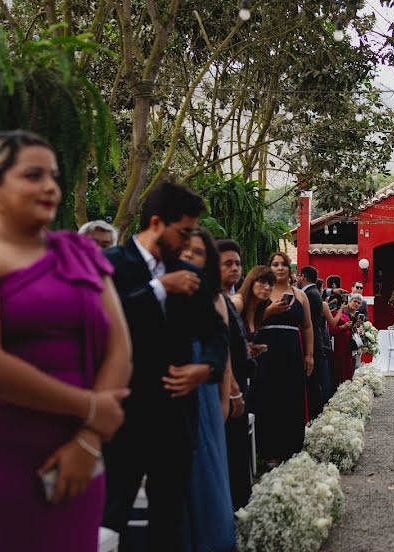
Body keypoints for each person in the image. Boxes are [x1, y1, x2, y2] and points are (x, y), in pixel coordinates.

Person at [0, 131, 131, 551]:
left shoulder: (80, 252)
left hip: (79, 458)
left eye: (53, 175)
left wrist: (89, 439)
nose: (50, 186)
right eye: (33, 175)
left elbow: (120, 346)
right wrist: (91, 408)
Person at [102, 182, 229, 552]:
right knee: (111, 518)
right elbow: (103, 323)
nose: (190, 239)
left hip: (176, 417)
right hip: (124, 415)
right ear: (157, 223)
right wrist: (158, 289)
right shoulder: (111, 265)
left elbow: (216, 333)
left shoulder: (190, 272)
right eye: (184, 231)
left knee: (169, 521)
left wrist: (205, 369)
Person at [179, 229, 236, 552]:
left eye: (197, 252)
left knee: (205, 468)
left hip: (205, 390)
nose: (189, 257)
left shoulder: (213, 297)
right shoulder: (156, 290)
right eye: (183, 250)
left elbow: (223, 353)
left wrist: (225, 398)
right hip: (165, 391)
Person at [253, 252, 314, 467]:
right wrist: (269, 310)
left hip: (291, 350)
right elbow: (250, 323)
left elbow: (307, 326)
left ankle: (292, 447)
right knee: (268, 396)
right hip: (267, 350)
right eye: (275, 264)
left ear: (290, 269)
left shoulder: (300, 295)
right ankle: (269, 450)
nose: (280, 268)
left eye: (284, 264)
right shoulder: (262, 292)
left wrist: (309, 354)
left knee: (291, 395)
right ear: (269, 268)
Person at [215, 239, 253, 511]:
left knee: (237, 448)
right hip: (226, 386)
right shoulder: (221, 300)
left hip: (238, 381)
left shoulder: (228, 298)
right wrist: (234, 390)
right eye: (227, 264)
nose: (235, 269)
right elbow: (221, 348)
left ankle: (240, 504)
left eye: (238, 263)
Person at [298, 265, 330, 414]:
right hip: (317, 340)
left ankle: (314, 414)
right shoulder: (315, 292)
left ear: (303, 277)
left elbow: (306, 322)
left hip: (312, 342)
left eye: (299, 276)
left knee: (312, 382)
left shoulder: (309, 294)